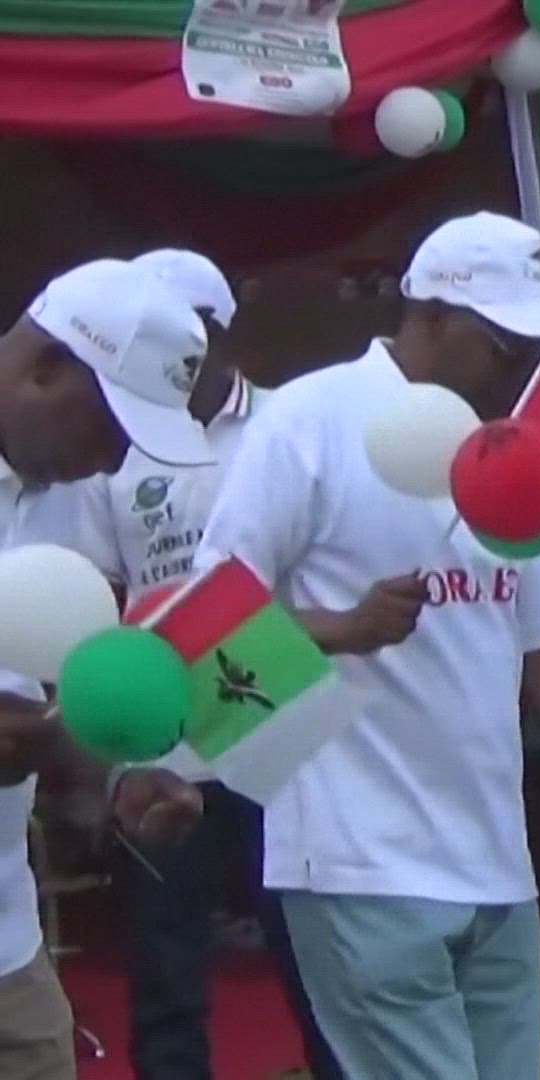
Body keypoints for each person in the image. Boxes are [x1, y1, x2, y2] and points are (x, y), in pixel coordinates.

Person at [193, 212, 540, 1080]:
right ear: (434, 316)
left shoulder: (510, 450)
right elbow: (211, 616)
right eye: (506, 346)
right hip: (356, 860)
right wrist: (346, 627)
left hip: (496, 863)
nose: (523, 370)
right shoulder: (309, 420)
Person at [39, 249, 340, 1080]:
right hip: (162, 730)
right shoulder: (113, 441)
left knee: (312, 945)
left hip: (271, 710)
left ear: (217, 330)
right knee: (166, 956)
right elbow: (94, 588)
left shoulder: (287, 423)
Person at [0, 258, 218, 1080]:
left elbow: (61, 678)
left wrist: (120, 775)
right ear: (46, 368)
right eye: (110, 426)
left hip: (9, 946)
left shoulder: (63, 494)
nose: (114, 459)